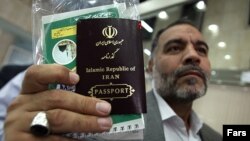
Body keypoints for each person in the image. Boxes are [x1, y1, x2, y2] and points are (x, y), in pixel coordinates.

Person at [1, 19, 222, 141]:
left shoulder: (214, 135)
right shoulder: (109, 123)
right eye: (175, 47)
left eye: (202, 50)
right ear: (150, 65)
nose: (193, 55)